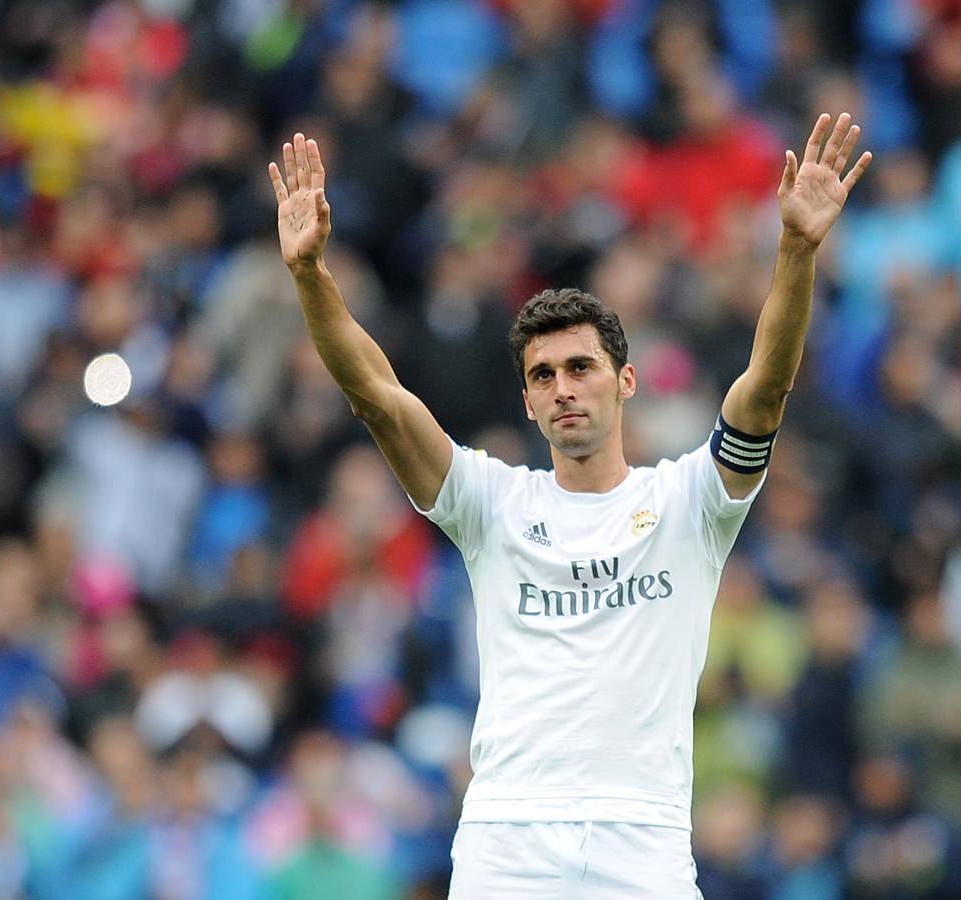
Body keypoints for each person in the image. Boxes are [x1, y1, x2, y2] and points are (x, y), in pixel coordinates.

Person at [268, 114, 870, 898]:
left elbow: (766, 387)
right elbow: (378, 397)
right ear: (527, 401)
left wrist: (795, 249)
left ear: (626, 381)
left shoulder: (691, 501)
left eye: (581, 367)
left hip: (643, 841)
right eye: (543, 376)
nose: (563, 388)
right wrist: (310, 274)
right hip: (507, 842)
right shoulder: (490, 503)